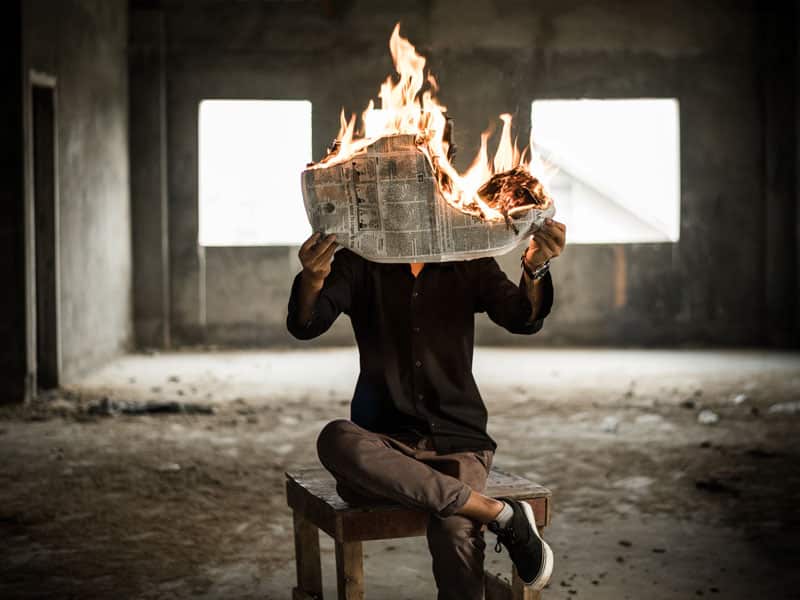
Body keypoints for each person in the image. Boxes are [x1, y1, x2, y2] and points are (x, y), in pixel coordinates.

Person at [286, 217, 567, 599]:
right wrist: (314, 277)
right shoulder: (360, 261)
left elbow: (522, 318)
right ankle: (497, 513)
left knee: (455, 529)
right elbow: (307, 324)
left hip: (457, 441)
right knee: (335, 438)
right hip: (385, 447)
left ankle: (476, 514)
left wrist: (536, 266)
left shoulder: (468, 258)